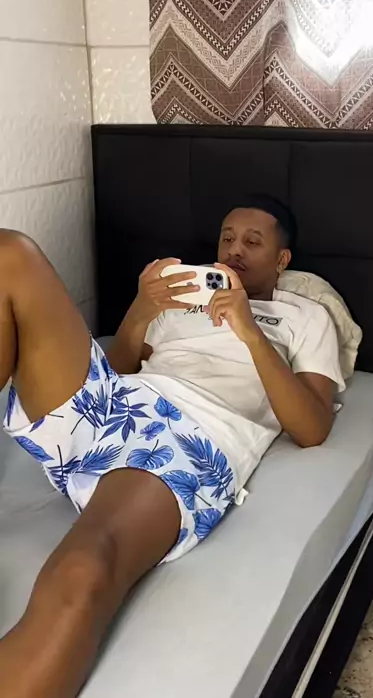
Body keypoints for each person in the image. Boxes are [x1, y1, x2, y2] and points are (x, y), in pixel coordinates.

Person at [0, 196, 343, 698]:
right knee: (11, 253)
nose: (235, 251)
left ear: (282, 259)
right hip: (117, 405)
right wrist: (142, 311)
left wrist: (250, 333)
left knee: (85, 566)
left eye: (253, 242)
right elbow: (116, 370)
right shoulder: (183, 300)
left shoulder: (306, 317)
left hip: (188, 435)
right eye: (227, 238)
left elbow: (312, 427)